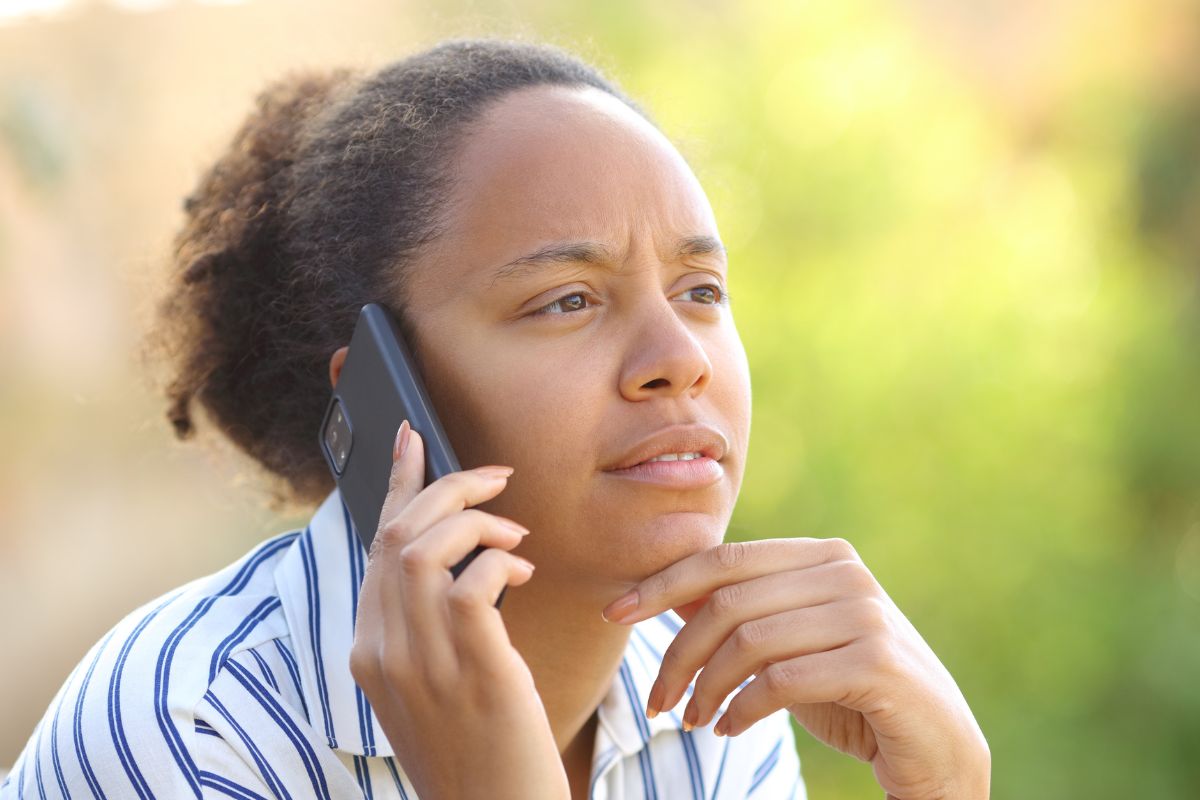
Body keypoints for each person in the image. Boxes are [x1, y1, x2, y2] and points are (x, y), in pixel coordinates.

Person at [0, 38, 989, 799]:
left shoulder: (716, 706)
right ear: (385, 395)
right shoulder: (192, 726)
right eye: (566, 299)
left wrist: (945, 783)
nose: (680, 360)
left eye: (699, 290)